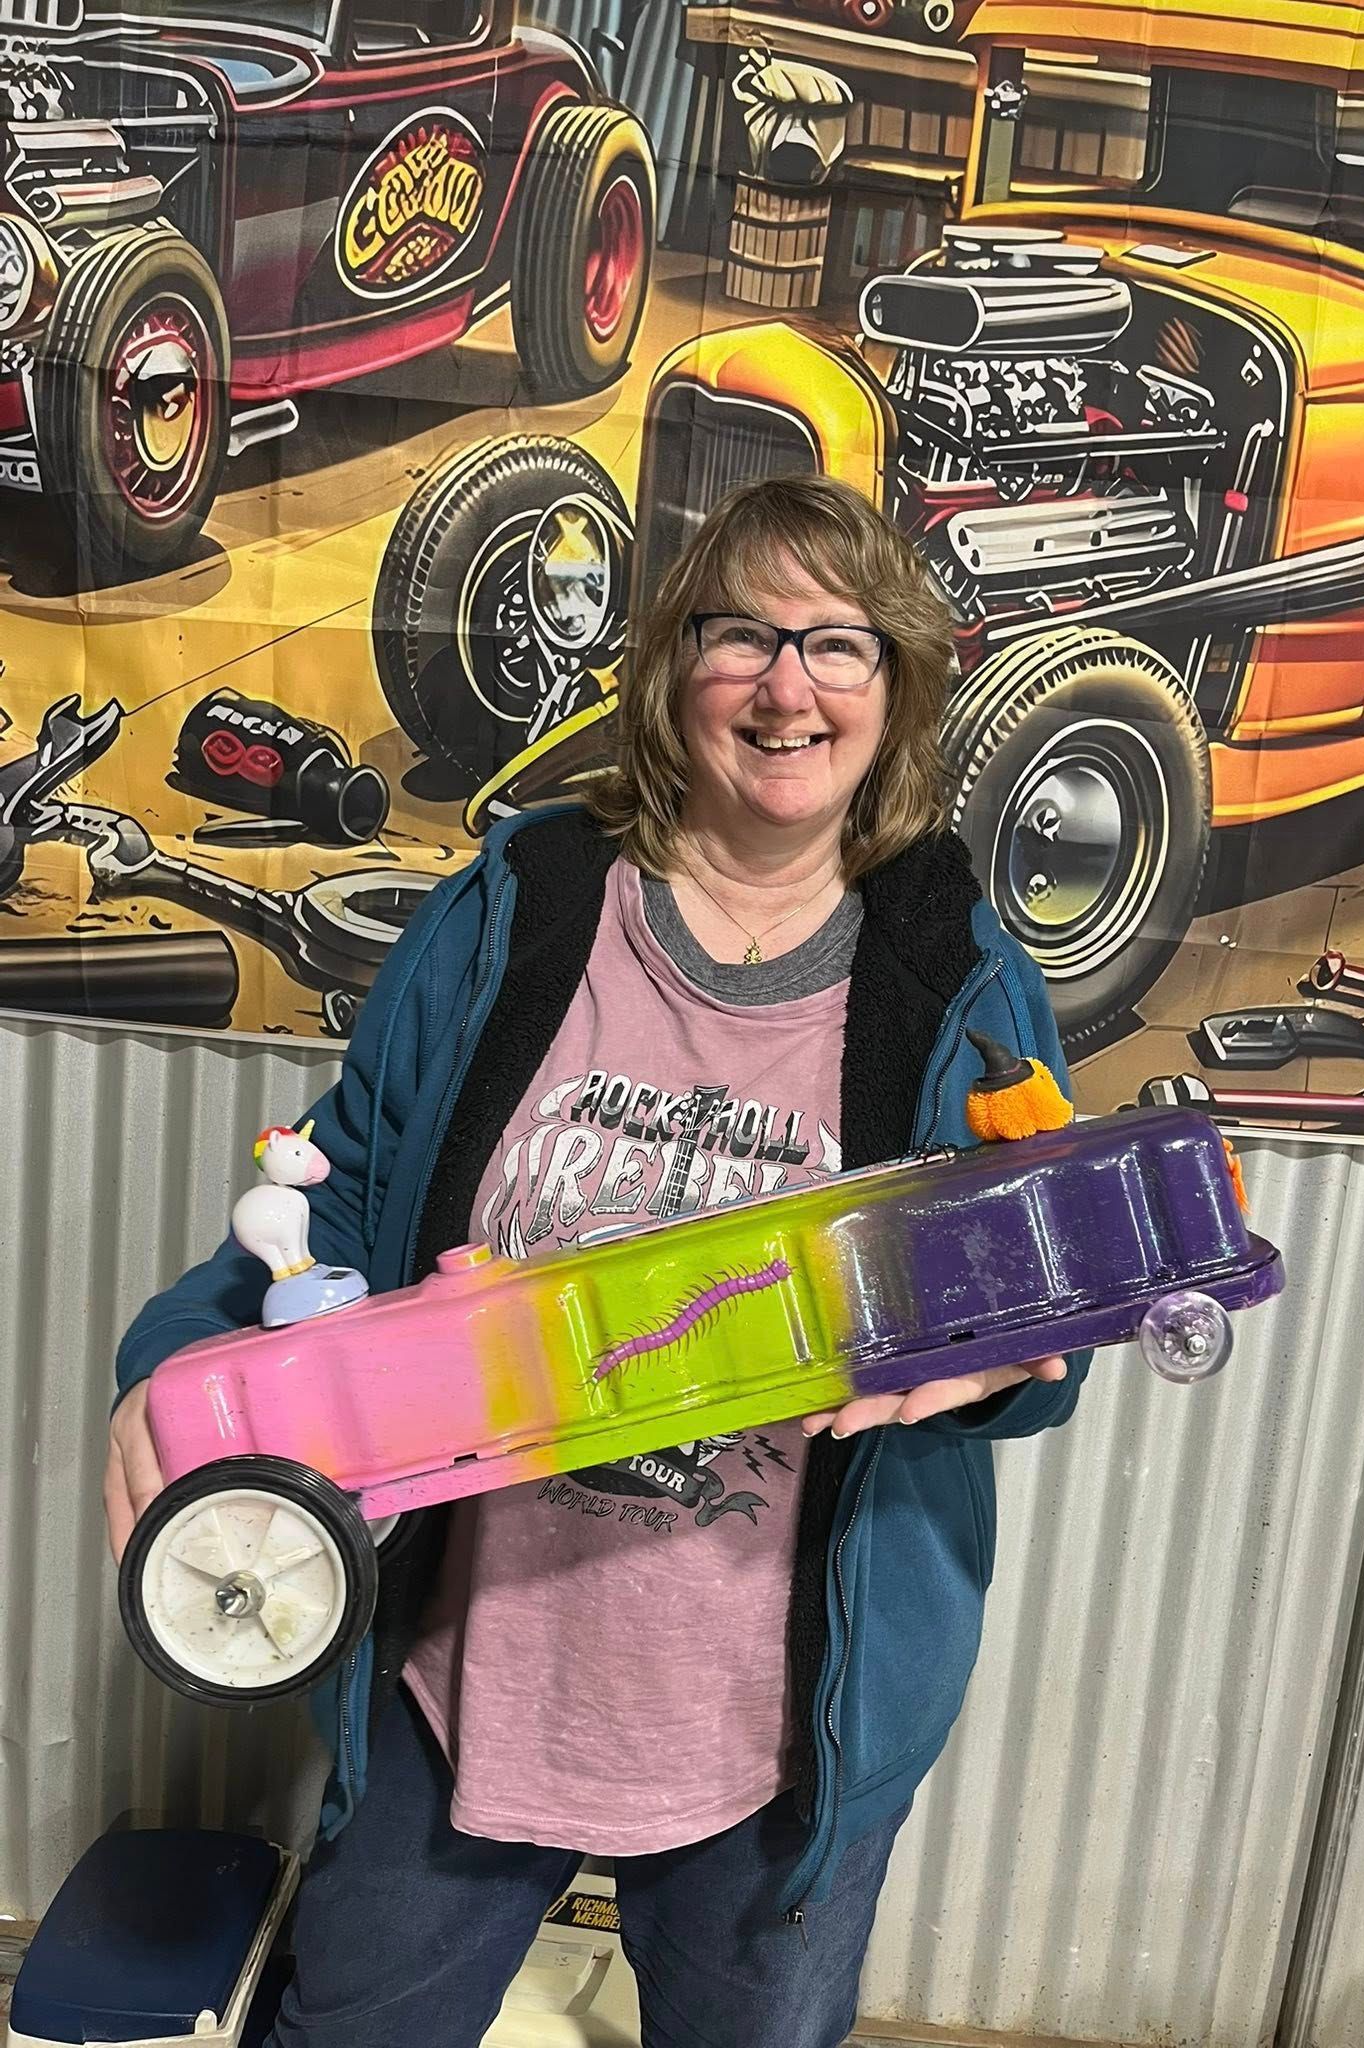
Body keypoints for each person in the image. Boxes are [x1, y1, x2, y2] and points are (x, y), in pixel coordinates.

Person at [104, 475, 1091, 2048]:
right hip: (466, 1672)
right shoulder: (524, 907)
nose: (788, 687)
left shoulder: (956, 974)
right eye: (742, 635)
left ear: (896, 689)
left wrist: (1006, 1367)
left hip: (781, 1729)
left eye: (840, 645)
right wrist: (171, 1375)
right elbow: (337, 1206)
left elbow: (1040, 1331)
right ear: (669, 666)